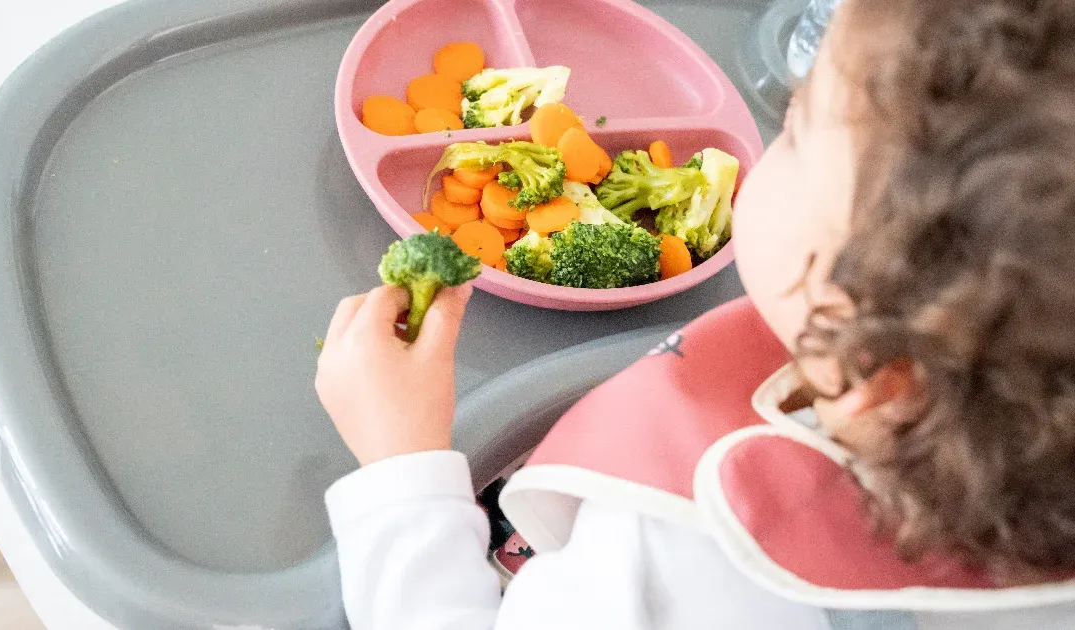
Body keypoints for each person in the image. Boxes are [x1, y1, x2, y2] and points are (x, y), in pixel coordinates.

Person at [313, 0, 1075, 627]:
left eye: (798, 127)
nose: (774, 133)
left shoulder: (683, 549)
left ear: (876, 370)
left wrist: (401, 462)